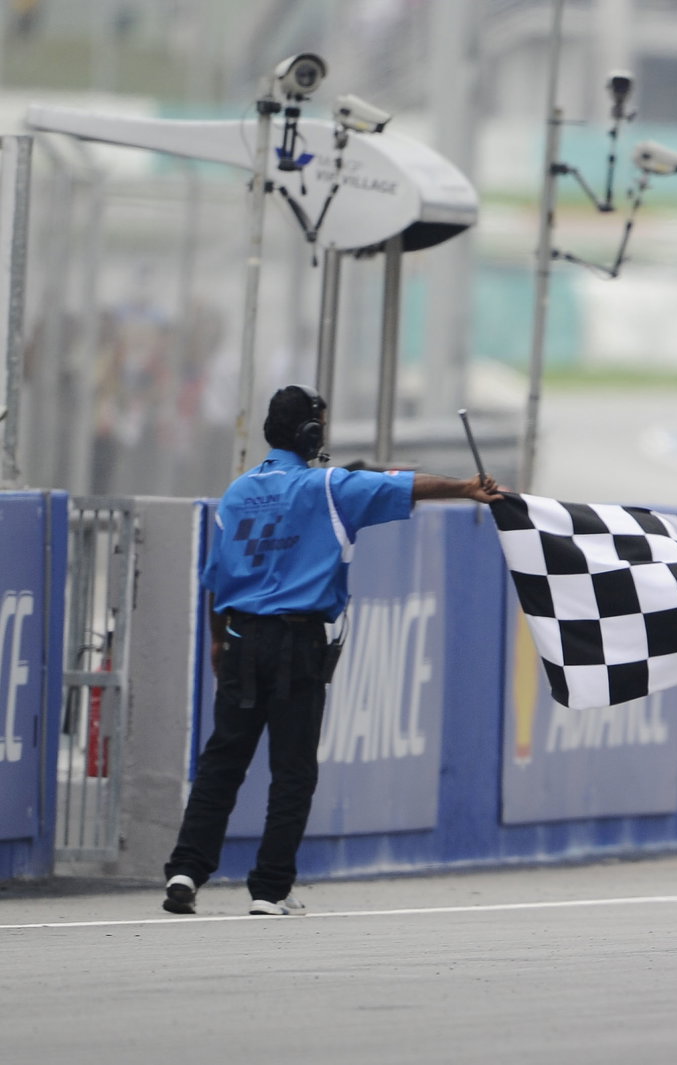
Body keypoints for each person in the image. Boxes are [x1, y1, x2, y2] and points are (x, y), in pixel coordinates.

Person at [162, 384, 502, 916]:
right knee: (292, 770)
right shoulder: (328, 487)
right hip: (298, 643)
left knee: (221, 763)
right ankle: (270, 890)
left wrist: (215, 641)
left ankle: (185, 871)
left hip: (240, 639)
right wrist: (465, 486)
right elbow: (404, 485)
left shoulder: (235, 494)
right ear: (312, 433)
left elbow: (215, 578)